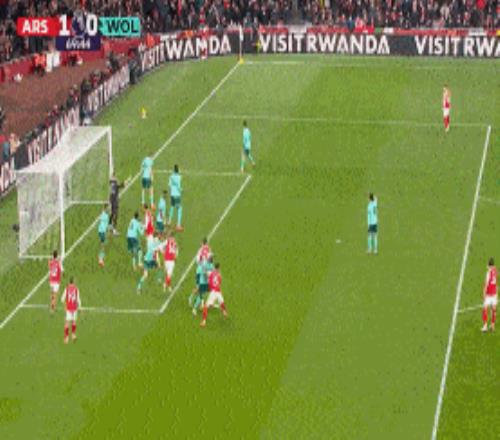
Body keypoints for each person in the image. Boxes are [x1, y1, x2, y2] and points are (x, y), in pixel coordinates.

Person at [200, 262, 227, 327]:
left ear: (214, 267)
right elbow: (219, 282)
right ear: (219, 268)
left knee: (205, 306)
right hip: (218, 292)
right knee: (222, 303)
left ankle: (203, 321)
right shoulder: (219, 275)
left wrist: (203, 267)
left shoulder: (211, 273)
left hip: (213, 292)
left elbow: (205, 272)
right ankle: (224, 312)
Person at [61, 277, 81, 344]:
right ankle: (72, 335)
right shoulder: (76, 289)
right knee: (73, 322)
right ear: (73, 282)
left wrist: (65, 306)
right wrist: (79, 307)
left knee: (68, 323)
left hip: (69, 308)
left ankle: (67, 337)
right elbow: (78, 299)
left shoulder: (66, 289)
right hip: (73, 308)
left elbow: (62, 299)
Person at [482, 258, 497, 332]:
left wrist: (484, 294)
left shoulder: (488, 273)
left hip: (489, 294)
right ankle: (492, 325)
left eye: (488, 265)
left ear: (489, 265)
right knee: (493, 310)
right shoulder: (495, 270)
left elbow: (486, 284)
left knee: (485, 309)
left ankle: (485, 326)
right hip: (494, 294)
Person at [168, 164, 183, 232]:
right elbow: (178, 186)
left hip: (172, 194)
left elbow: (169, 185)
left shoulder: (171, 176)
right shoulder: (179, 177)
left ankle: (169, 221)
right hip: (177, 195)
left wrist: (170, 193)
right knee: (179, 209)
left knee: (172, 207)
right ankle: (178, 225)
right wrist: (181, 190)